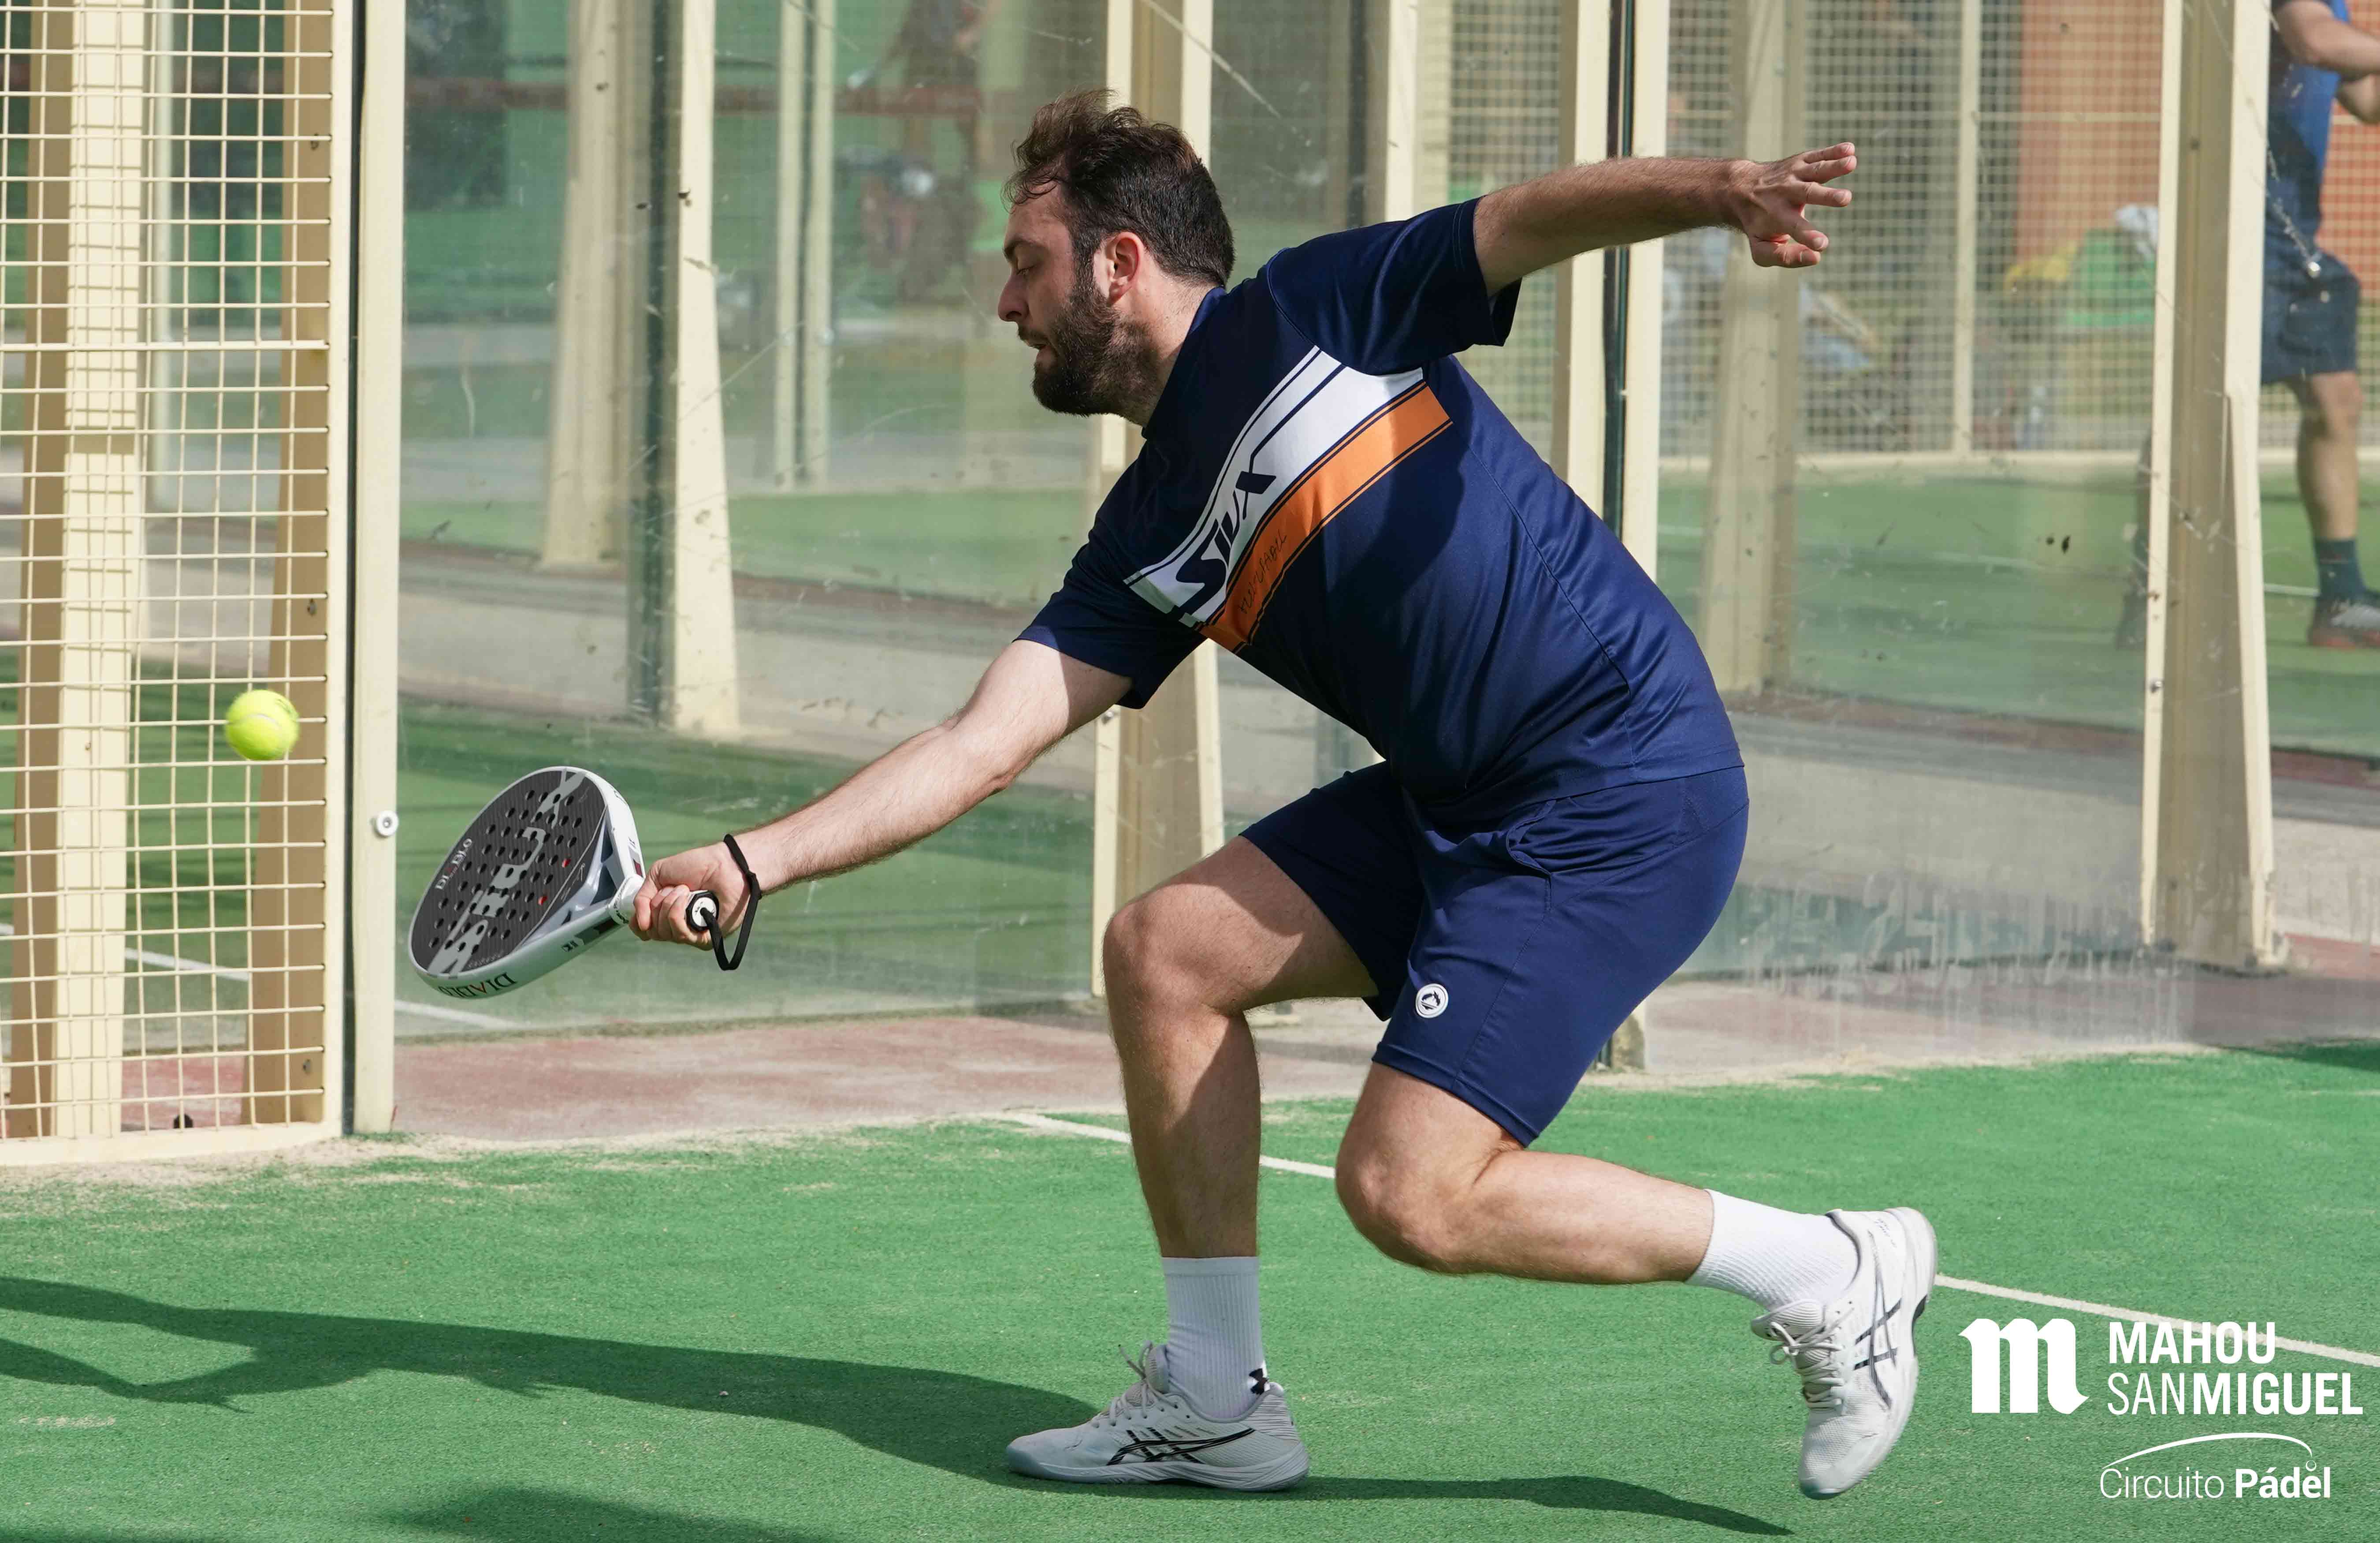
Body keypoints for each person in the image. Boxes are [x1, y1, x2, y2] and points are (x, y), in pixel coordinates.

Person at [631, 91, 1932, 1501]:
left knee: (1410, 1192)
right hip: (1455, 801)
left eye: (1025, 263)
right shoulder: (1146, 534)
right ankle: (1214, 1399)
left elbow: (1523, 220)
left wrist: (1721, 189)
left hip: (1620, 787)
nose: (1007, 303)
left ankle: (1830, 1269)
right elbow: (978, 742)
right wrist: (755, 860)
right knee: (1165, 953)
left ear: (1119, 263)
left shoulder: (1320, 310)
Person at [2131, 0, 2380, 645]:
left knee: (2336, 399)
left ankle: (2341, 598)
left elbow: (2366, 97)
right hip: (2234, 222)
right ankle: (2151, 592)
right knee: (2196, 409)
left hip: (2290, 234)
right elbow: (2314, 41)